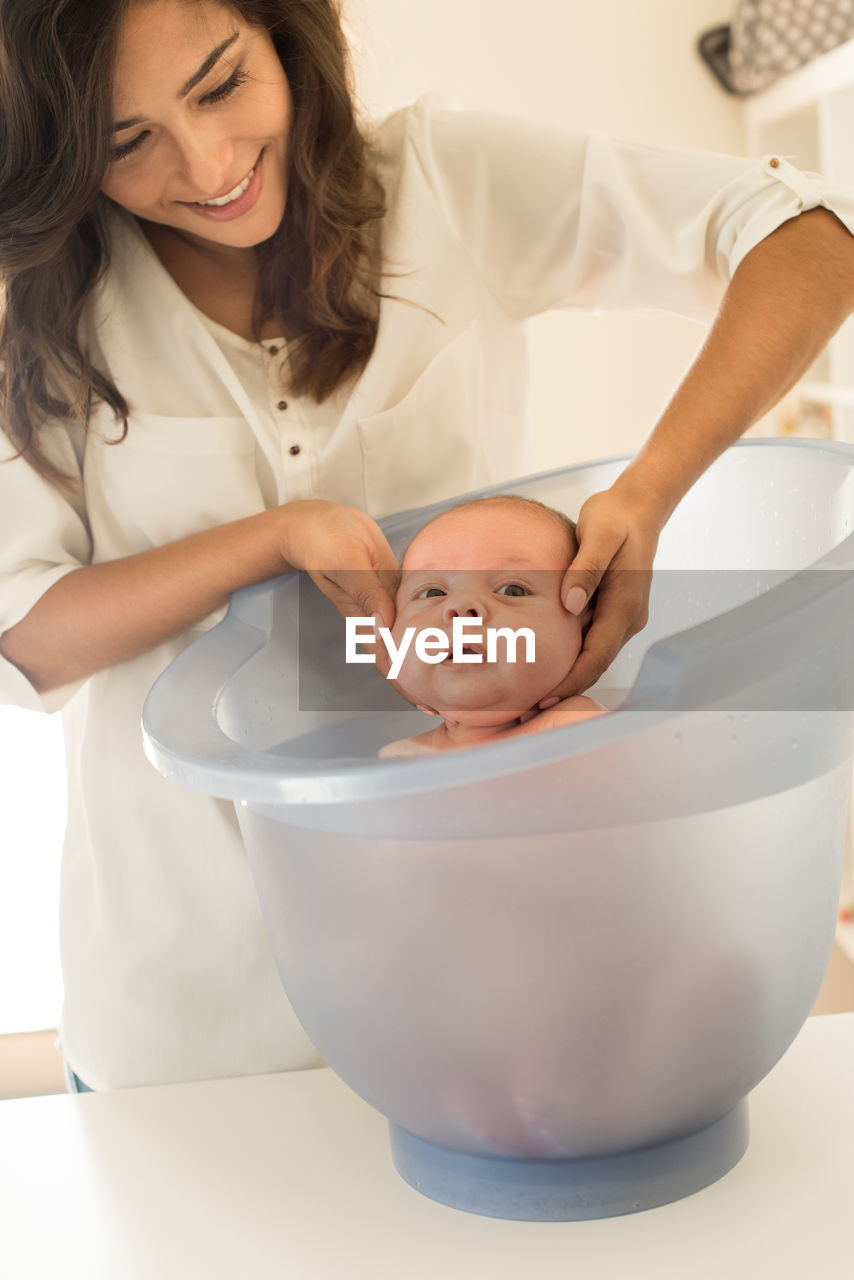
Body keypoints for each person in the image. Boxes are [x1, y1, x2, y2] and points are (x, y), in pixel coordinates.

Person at [1, 0, 854, 1091]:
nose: (207, 162)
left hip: (478, 993)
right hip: (194, 1007)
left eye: (220, 85)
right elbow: (22, 636)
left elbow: (807, 234)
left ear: (283, 34)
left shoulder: (443, 184)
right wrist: (265, 540)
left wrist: (646, 495)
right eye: (128, 142)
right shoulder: (49, 312)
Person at [379, 496, 606, 757]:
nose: (462, 607)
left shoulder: (578, 730)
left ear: (587, 628)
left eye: (513, 590)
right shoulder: (398, 757)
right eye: (432, 592)